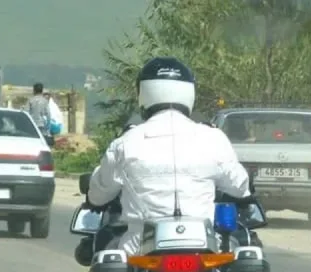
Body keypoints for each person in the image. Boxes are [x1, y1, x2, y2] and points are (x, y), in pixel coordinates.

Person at [85, 56, 254, 256]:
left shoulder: (125, 143)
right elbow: (239, 186)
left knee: (106, 256)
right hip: (203, 245)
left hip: (139, 250)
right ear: (189, 92)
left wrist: (93, 197)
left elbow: (98, 194)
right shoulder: (213, 138)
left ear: (143, 93)